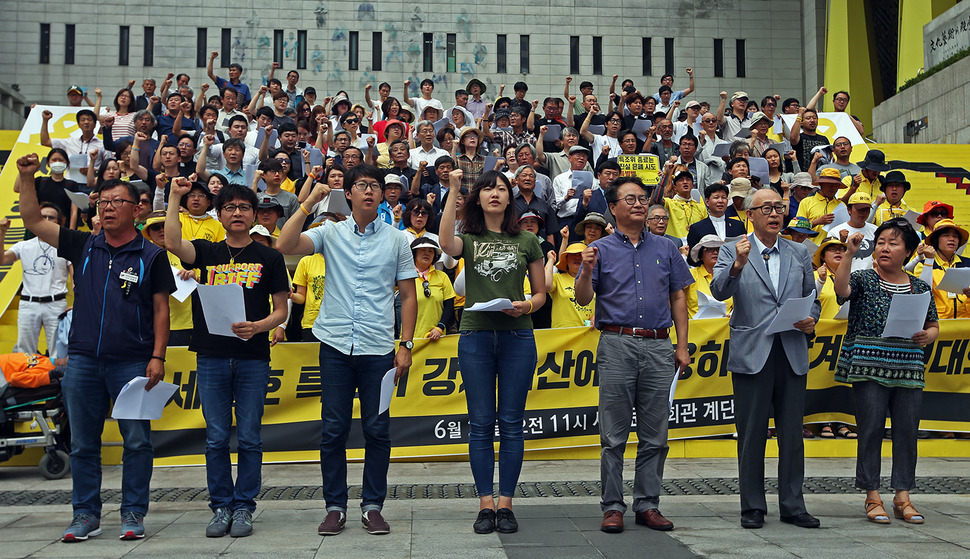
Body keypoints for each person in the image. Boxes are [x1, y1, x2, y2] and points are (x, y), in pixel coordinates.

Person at [16, 154, 174, 542]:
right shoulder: (83, 245)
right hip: (83, 362)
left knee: (136, 442)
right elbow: (34, 221)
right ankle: (85, 515)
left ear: (136, 209)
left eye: (115, 202)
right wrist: (25, 177)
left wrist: (157, 356)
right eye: (102, 203)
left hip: (132, 363)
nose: (106, 208)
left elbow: (160, 310)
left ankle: (133, 514)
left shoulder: (151, 255)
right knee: (85, 444)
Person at [276, 163, 417, 537]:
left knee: (377, 429)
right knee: (334, 430)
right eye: (361, 185)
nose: (369, 191)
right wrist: (308, 203)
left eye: (375, 185)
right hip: (336, 345)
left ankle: (373, 506)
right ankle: (334, 507)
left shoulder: (397, 239)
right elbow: (285, 245)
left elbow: (407, 295)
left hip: (378, 349)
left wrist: (405, 344)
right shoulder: (330, 232)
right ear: (349, 193)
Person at [164, 179, 289, 538]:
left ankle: (244, 507)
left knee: (249, 437)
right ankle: (221, 506)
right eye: (230, 207)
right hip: (212, 356)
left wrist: (259, 326)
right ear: (220, 215)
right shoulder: (206, 251)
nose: (237, 213)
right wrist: (175, 196)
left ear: (254, 216)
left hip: (252, 357)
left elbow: (281, 311)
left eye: (244, 208)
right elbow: (172, 241)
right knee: (216, 437)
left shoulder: (270, 257)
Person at [574, 175, 691, 534]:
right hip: (616, 343)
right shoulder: (601, 249)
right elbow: (582, 298)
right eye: (630, 199)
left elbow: (678, 297)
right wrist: (587, 268)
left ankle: (648, 504)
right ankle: (612, 506)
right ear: (613, 208)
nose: (639, 204)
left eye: (642, 198)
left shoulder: (668, 248)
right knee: (613, 435)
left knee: (656, 434)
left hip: (659, 345)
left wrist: (682, 346)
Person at [438, 169, 545, 535]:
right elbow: (444, 244)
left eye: (501, 188)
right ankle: (485, 504)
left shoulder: (528, 240)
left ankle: (507, 503)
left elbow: (541, 294)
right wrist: (454, 190)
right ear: (478, 198)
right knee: (481, 422)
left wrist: (525, 306)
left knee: (512, 423)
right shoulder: (468, 237)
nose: (494, 194)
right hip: (476, 335)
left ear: (509, 197)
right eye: (487, 189)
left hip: (517, 336)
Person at [710, 188, 821, 530]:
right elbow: (718, 291)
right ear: (751, 214)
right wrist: (738, 265)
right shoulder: (732, 249)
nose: (775, 214)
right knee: (752, 433)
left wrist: (811, 319)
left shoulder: (799, 252)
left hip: (790, 349)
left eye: (779, 208)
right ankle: (753, 506)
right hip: (752, 351)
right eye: (767, 208)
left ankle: (792, 504)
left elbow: (810, 297)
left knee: (792, 433)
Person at [834, 221, 939, 525]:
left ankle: (903, 497)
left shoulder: (919, 286)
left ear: (907, 251)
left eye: (893, 243)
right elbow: (842, 291)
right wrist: (849, 254)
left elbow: (933, 324)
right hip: (869, 367)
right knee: (871, 431)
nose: (884, 248)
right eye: (880, 242)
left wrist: (927, 336)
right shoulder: (865, 278)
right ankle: (872, 495)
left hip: (908, 367)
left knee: (906, 432)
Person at [1, 206, 71, 357]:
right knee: (24, 353)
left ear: (60, 222)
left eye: (51, 217)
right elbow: (2, 260)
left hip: (56, 303)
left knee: (58, 353)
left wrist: (78, 300)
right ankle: (26, 379)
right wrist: (2, 234)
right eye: (43, 217)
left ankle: (54, 380)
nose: (46, 220)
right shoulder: (24, 245)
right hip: (29, 303)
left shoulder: (66, 246)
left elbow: (76, 278)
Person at [914, 220, 970, 320]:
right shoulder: (923, 265)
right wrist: (929, 260)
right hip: (938, 323)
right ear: (936, 240)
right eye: (946, 235)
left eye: (955, 236)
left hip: (966, 323)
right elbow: (922, 292)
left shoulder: (968, 263)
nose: (951, 239)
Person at [410, 238, 455, 341]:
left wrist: (440, 327)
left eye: (431, 251)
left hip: (437, 337)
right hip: (410, 337)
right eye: (423, 250)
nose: (427, 253)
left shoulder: (442, 276)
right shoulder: (405, 276)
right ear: (414, 253)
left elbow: (449, 305)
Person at [545, 242, 594, 328]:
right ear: (566, 260)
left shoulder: (595, 280)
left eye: (581, 255)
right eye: (573, 254)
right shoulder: (558, 278)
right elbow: (546, 285)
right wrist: (550, 260)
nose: (577, 258)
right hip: (562, 334)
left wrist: (596, 316)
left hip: (589, 333)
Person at [685, 235, 732, 318]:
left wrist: (732, 315)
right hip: (697, 327)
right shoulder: (691, 274)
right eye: (709, 249)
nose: (715, 252)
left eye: (718, 249)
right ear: (701, 256)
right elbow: (673, 295)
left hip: (725, 327)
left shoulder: (731, 275)